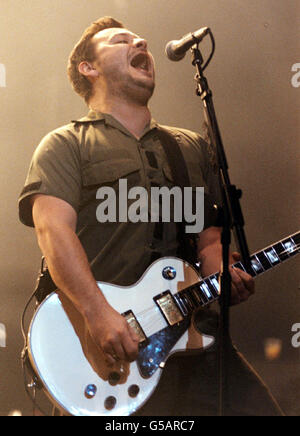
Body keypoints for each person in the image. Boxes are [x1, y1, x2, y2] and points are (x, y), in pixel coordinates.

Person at [19, 17, 283, 416]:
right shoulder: (67, 143)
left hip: (196, 339)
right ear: (87, 68)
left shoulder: (189, 146)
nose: (140, 41)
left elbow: (209, 238)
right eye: (121, 40)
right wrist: (97, 312)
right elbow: (52, 230)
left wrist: (219, 271)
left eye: (139, 38)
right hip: (105, 347)